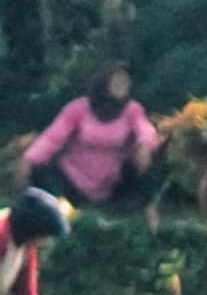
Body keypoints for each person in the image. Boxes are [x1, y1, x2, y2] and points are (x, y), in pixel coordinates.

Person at [25, 62, 163, 212]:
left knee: (149, 165)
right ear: (103, 83)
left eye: (125, 81)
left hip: (112, 183)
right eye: (117, 81)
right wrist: (29, 159)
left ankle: (133, 207)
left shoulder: (133, 110)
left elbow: (146, 130)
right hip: (71, 180)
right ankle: (60, 206)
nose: (122, 85)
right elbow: (52, 138)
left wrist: (144, 145)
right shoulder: (78, 108)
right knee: (40, 170)